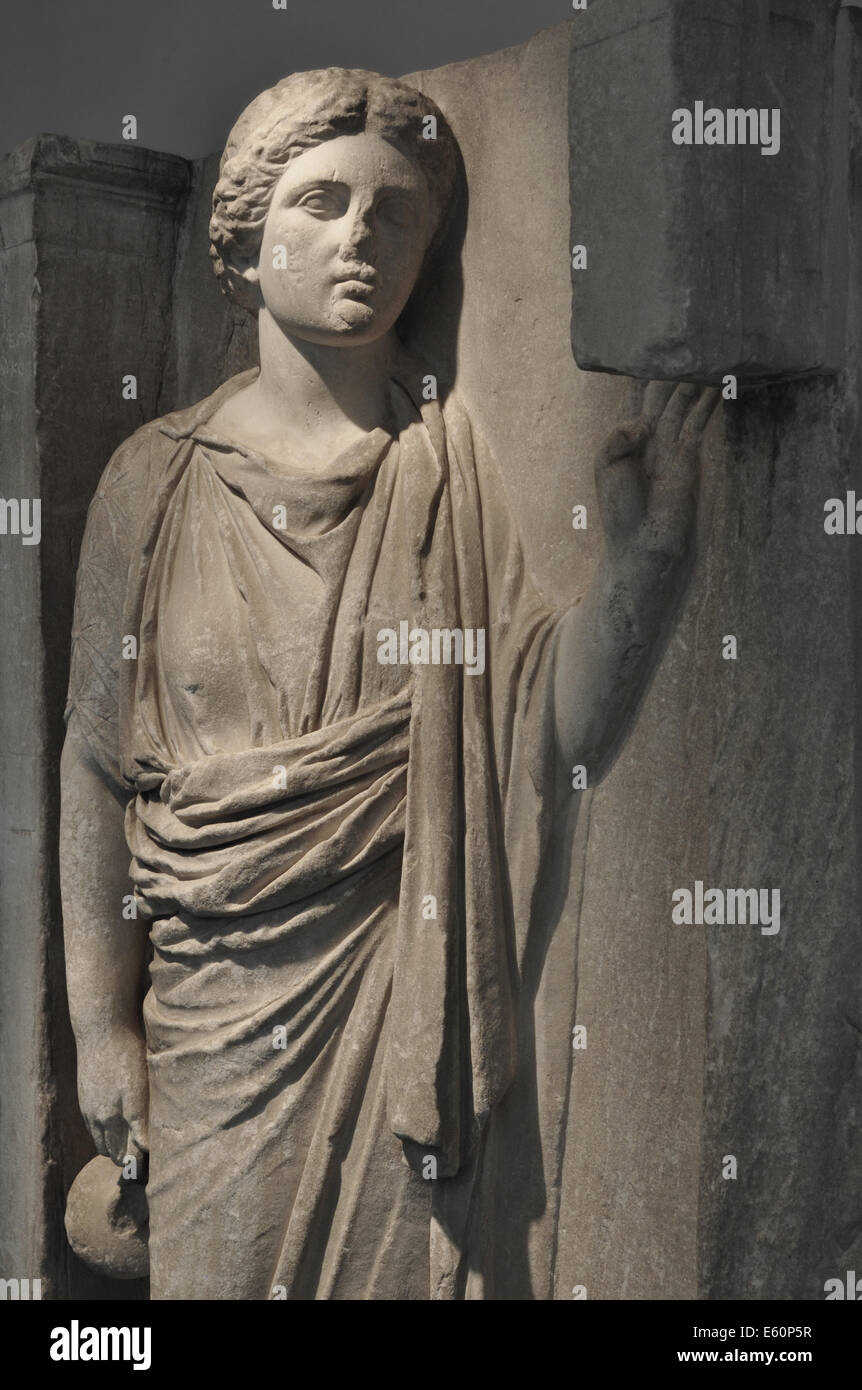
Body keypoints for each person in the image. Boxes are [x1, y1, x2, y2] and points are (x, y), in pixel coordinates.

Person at [60, 67, 717, 1300]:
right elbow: (95, 767)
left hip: (402, 996)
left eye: (395, 213)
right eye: (318, 202)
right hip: (218, 1025)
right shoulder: (152, 484)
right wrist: (102, 1025)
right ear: (249, 240)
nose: (359, 237)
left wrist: (645, 562)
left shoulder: (451, 471)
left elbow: (541, 731)